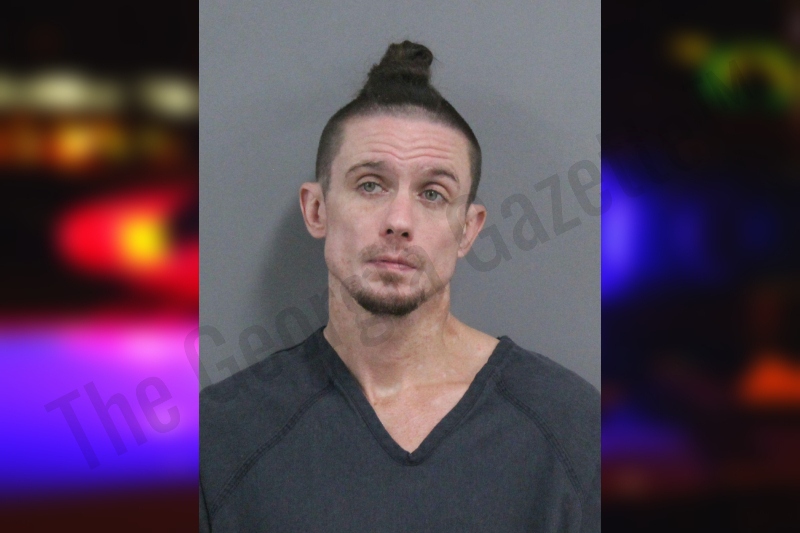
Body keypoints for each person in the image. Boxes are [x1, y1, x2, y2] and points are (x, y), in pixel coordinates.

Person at [200, 41, 599, 532]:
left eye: (433, 194)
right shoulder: (222, 438)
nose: (399, 221)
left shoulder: (573, 429)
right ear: (317, 209)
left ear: (468, 230)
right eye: (370, 184)